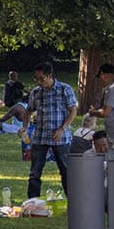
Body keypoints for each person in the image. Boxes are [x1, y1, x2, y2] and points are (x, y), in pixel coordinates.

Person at [22, 61, 77, 201]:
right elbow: (28, 111)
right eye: (37, 78)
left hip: (61, 137)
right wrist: (25, 127)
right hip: (40, 137)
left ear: (50, 75)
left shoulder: (65, 89)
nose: (39, 82)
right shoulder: (36, 92)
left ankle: (73, 201)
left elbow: (73, 111)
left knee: (66, 171)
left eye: (42, 78)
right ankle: (33, 201)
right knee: (35, 172)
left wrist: (62, 129)